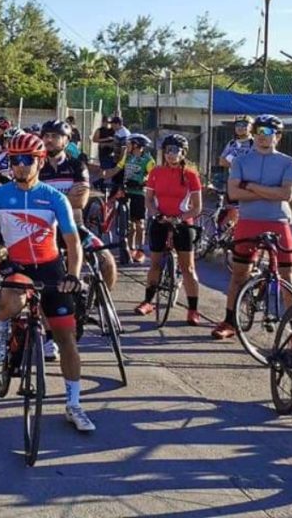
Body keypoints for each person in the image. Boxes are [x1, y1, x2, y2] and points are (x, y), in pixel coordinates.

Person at [0, 133, 94, 432]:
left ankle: (74, 404)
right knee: (13, 298)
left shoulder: (54, 198)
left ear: (39, 162)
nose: (20, 166)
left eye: (26, 161)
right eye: (14, 161)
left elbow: (72, 242)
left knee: (67, 340)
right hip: (18, 266)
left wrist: (73, 275)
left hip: (51, 268)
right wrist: (0, 263)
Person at [214, 114, 292, 340]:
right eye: (260, 132)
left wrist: (249, 185)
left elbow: (286, 194)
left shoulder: (289, 163)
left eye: (269, 132)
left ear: (278, 137)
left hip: (279, 222)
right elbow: (234, 193)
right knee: (239, 275)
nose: (264, 137)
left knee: (287, 277)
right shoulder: (241, 161)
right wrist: (270, 191)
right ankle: (229, 321)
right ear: (254, 135)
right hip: (248, 222)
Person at [37, 119, 116, 359]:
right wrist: (64, 198)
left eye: (55, 136)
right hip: (46, 230)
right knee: (44, 281)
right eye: (46, 135)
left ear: (66, 140)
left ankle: (101, 305)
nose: (49, 140)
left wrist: (49, 200)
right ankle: (50, 337)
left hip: (74, 226)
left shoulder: (76, 165)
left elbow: (80, 202)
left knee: (106, 259)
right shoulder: (36, 165)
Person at [134, 134, 203, 325]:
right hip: (160, 220)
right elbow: (148, 199)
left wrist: (180, 218)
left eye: (175, 151)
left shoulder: (190, 175)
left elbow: (197, 207)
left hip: (182, 223)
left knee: (187, 268)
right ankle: (148, 301)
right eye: (167, 151)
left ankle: (193, 309)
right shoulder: (156, 172)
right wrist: (157, 214)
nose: (171, 155)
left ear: (183, 153)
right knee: (155, 264)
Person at [103, 133, 154, 264]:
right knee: (129, 224)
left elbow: (153, 178)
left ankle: (140, 249)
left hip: (139, 194)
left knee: (139, 224)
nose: (127, 146)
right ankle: (130, 249)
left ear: (136, 145)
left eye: (130, 144)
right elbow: (117, 168)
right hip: (127, 192)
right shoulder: (128, 156)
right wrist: (103, 177)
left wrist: (142, 182)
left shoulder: (148, 160)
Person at [217, 115, 255, 229]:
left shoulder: (254, 144)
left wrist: (234, 163)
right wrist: (240, 164)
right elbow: (222, 161)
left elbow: (254, 163)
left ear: (251, 127)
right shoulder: (232, 143)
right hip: (232, 181)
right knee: (230, 210)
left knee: (246, 211)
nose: (240, 127)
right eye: (238, 125)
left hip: (248, 183)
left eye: (244, 125)